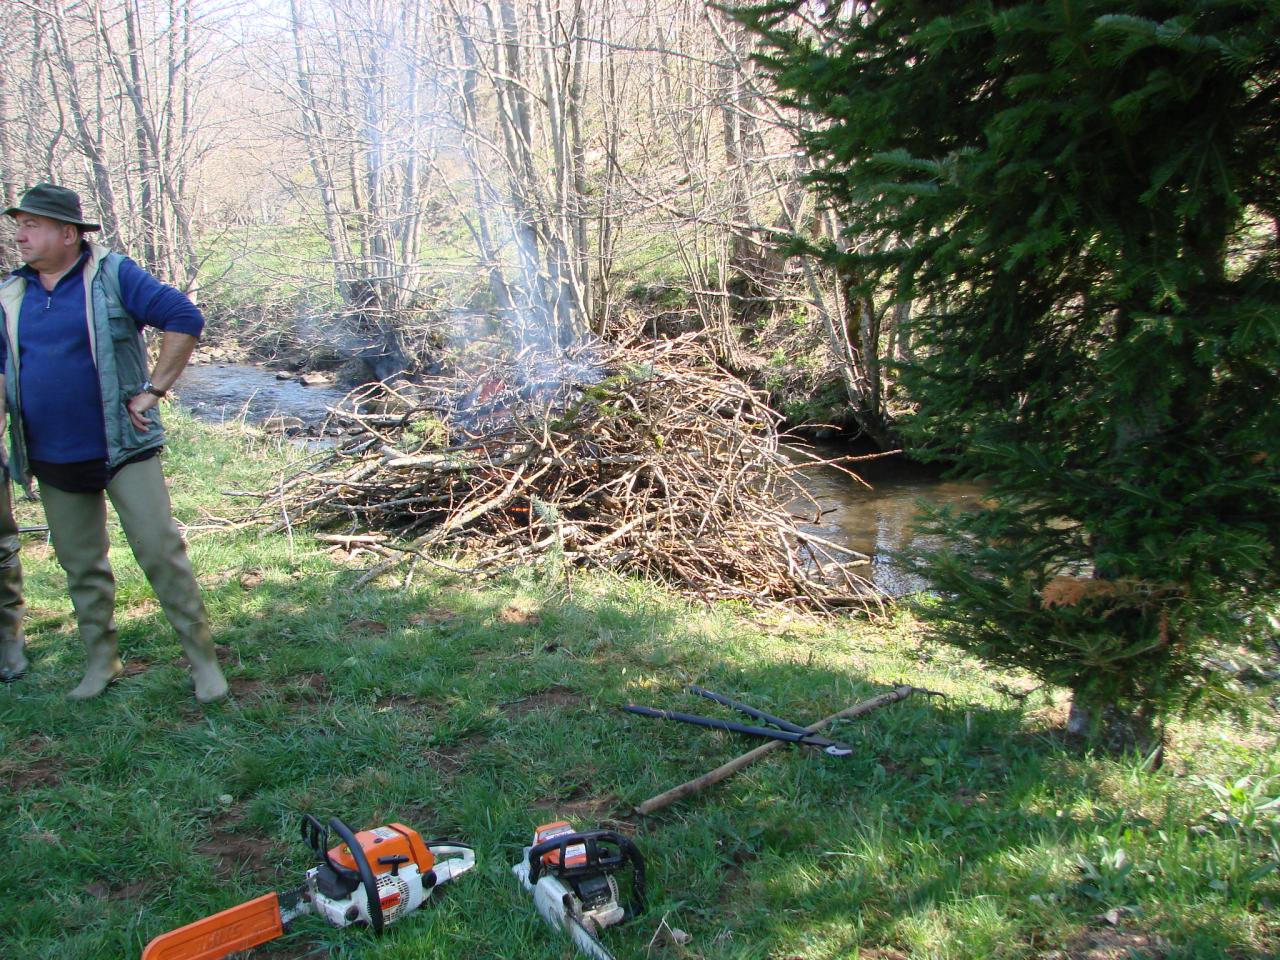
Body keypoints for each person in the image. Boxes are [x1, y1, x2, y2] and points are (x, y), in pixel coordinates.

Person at [0, 183, 228, 702]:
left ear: (67, 233)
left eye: (32, 224)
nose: (21, 234)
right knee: (80, 566)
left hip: (124, 446)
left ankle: (203, 662)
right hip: (51, 454)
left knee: (161, 552)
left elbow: (184, 317)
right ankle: (102, 662)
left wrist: (155, 389)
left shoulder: (112, 276)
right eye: (19, 223)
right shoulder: (11, 294)